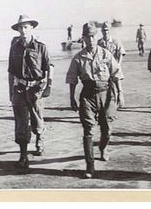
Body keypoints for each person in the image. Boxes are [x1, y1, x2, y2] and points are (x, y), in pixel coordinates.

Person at [66, 21, 121, 178]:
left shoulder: (105, 54)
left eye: (92, 36)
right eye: (87, 37)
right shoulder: (78, 58)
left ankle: (103, 147)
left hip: (106, 94)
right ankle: (90, 166)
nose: (90, 40)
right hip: (88, 96)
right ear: (83, 38)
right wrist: (72, 98)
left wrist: (120, 93)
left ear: (96, 37)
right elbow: (72, 79)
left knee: (107, 130)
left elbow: (116, 74)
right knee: (88, 131)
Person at [8, 14, 54, 169]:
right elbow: (11, 71)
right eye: (20, 27)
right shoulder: (14, 47)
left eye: (26, 27)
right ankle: (23, 155)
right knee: (21, 122)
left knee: (37, 118)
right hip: (20, 89)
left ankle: (39, 139)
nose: (23, 30)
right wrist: (11, 92)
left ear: (32, 28)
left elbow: (49, 67)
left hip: (36, 89)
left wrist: (47, 87)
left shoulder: (41, 46)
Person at [97, 21, 126, 115]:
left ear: (110, 30)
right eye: (104, 30)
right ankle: (109, 110)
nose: (106, 32)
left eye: (107, 30)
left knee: (118, 89)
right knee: (107, 90)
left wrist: (118, 65)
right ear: (101, 31)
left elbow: (121, 53)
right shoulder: (99, 42)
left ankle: (117, 107)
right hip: (104, 71)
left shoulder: (115, 41)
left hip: (115, 69)